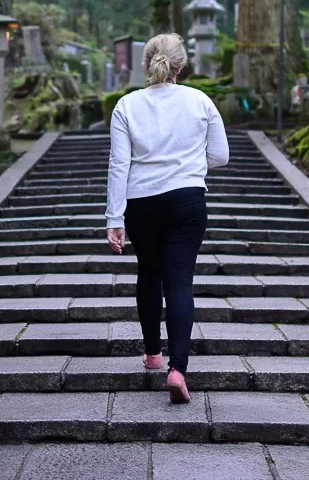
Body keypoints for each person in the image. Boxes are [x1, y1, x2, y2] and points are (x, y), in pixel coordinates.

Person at [104, 33, 230, 404]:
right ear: (182, 66)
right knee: (179, 282)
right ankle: (178, 369)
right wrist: (190, 166)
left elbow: (119, 165)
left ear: (146, 65)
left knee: (150, 272)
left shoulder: (127, 105)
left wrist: (115, 218)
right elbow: (220, 155)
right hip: (187, 200)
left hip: (142, 202)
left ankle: (152, 353)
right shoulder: (200, 101)